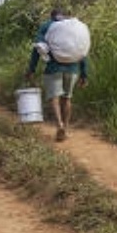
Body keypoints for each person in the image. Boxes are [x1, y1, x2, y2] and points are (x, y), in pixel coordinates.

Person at [26, 9, 89, 141]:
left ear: (52, 16)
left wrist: (31, 69)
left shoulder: (47, 26)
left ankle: (59, 124)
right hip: (72, 69)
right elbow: (81, 51)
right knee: (67, 98)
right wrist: (84, 74)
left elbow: (38, 48)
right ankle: (65, 127)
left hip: (53, 69)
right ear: (64, 16)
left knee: (53, 98)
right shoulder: (74, 29)